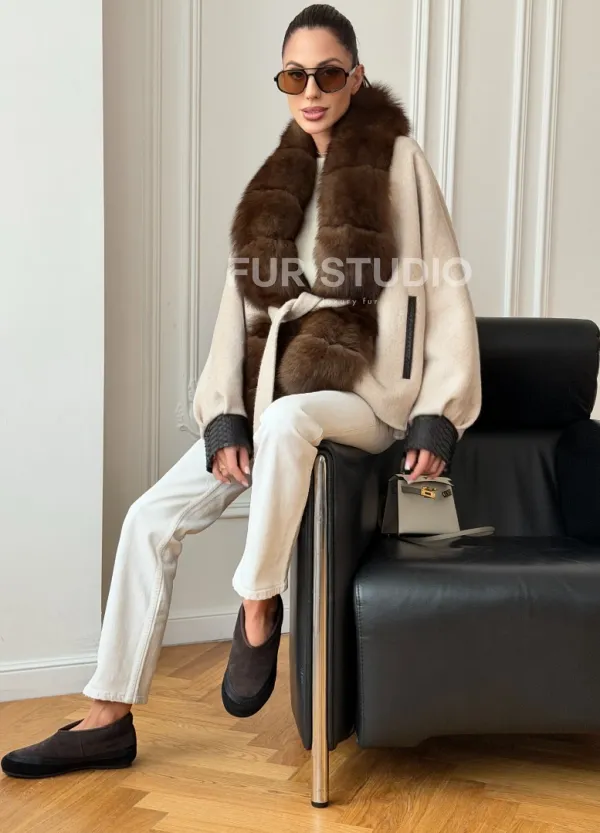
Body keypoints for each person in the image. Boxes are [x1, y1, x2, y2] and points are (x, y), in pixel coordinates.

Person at [1, 3, 481, 779]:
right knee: (149, 518)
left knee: (290, 418)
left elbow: (446, 292)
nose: (311, 90)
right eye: (295, 76)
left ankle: (257, 603)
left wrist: (438, 414)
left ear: (356, 77)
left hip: (366, 398)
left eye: (327, 73)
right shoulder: (275, 181)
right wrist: (223, 413)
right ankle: (107, 715)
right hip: (273, 393)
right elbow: (240, 307)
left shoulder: (399, 161)